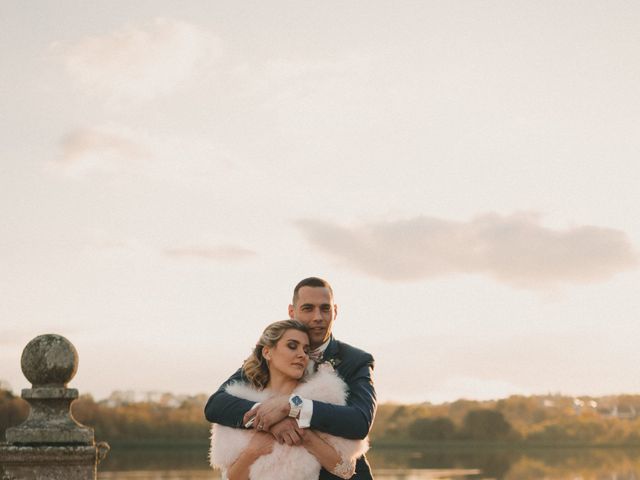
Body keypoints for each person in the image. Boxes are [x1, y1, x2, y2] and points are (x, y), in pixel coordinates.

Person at [205, 277, 376, 479]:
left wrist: (292, 406)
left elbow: (359, 423)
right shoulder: (268, 358)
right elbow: (216, 405)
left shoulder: (355, 360)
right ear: (292, 312)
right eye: (308, 308)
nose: (318, 316)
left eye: (325, 308)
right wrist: (268, 419)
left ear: (335, 311)